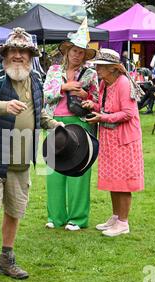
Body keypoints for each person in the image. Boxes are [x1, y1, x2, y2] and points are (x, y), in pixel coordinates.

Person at [0, 27, 62, 282]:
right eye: (14, 51)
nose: (19, 56)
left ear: (31, 55)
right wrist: (4, 106)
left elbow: (39, 112)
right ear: (5, 53)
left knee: (14, 212)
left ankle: (6, 259)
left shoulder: (35, 78)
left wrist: (53, 124)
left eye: (24, 51)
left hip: (22, 161)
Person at [81, 48, 145, 237]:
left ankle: (123, 223)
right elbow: (105, 107)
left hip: (124, 139)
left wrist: (102, 117)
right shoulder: (105, 84)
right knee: (113, 179)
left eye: (101, 66)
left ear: (112, 68)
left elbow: (128, 113)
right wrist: (92, 106)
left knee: (123, 181)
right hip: (109, 138)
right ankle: (116, 217)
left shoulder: (123, 83)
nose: (97, 70)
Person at [43, 18, 99, 231]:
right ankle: (55, 217)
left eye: (82, 52)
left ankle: (78, 218)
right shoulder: (54, 71)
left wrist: (86, 95)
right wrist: (64, 88)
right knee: (54, 171)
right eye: (75, 51)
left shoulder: (91, 74)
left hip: (80, 123)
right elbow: (45, 95)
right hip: (55, 123)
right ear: (67, 51)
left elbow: (97, 102)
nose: (78, 55)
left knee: (79, 171)